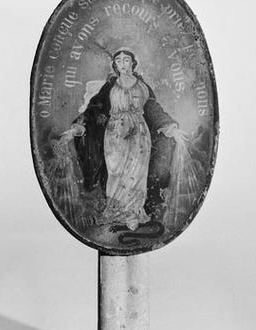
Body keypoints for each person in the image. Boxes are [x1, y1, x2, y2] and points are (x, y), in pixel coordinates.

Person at [60, 49, 186, 230]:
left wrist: (169, 126)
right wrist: (78, 127)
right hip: (115, 135)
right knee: (116, 172)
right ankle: (115, 211)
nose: (122, 64)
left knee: (137, 172)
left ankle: (133, 212)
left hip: (139, 135)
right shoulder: (109, 87)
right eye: (119, 61)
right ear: (115, 65)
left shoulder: (142, 86)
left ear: (133, 63)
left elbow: (153, 108)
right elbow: (95, 109)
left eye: (126, 60)